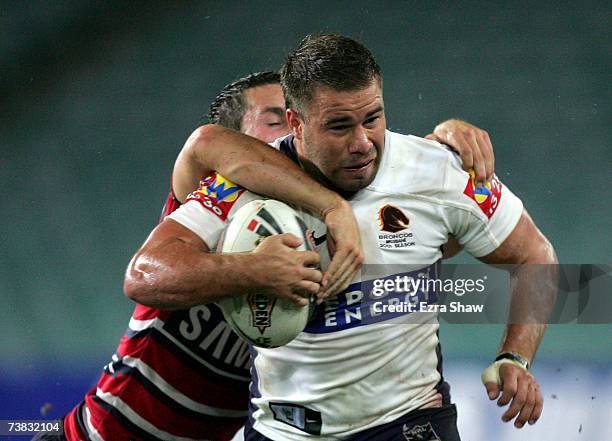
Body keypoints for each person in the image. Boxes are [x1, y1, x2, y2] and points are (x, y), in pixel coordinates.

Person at [126, 34, 557, 441]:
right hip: (284, 431)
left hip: (409, 423)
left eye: (373, 118)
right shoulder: (244, 183)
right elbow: (143, 275)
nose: (362, 143)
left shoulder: (438, 171)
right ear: (295, 123)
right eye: (338, 126)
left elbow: (535, 255)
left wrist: (514, 357)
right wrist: (247, 270)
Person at [34, 70, 497, 441]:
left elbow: (435, 235)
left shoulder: (327, 237)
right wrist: (252, 268)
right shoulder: (205, 210)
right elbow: (205, 144)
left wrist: (442, 152)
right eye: (277, 119)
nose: (289, 134)